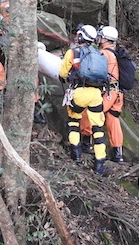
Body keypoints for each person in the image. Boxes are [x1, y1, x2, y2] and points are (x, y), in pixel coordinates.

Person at [58, 25, 108, 175]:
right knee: (98, 128)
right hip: (95, 95)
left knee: (74, 121)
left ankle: (76, 155)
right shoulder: (98, 54)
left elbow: (62, 73)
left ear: (80, 36)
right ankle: (100, 164)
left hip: (78, 93)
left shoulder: (72, 53)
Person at [98, 26, 125, 163]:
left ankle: (87, 144)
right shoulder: (118, 53)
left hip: (107, 92)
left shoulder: (104, 54)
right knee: (113, 119)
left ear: (104, 39)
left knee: (93, 113)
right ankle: (118, 153)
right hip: (118, 92)